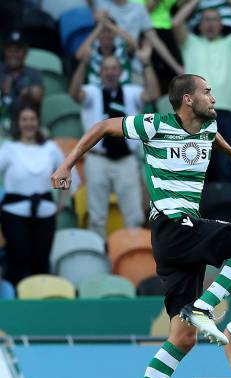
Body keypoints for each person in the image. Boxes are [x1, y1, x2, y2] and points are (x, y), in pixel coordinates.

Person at [51, 73, 231, 378]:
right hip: (174, 225)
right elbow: (105, 126)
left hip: (175, 243)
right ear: (187, 99)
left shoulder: (209, 127)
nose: (213, 96)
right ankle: (205, 306)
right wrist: (68, 165)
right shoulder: (154, 125)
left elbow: (211, 138)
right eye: (206, 91)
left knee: (183, 338)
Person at [69, 43, 160, 237]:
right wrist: (83, 63)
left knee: (134, 215)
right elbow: (74, 93)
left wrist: (146, 64)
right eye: (106, 69)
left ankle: (133, 262)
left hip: (126, 160)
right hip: (97, 158)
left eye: (114, 68)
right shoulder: (92, 92)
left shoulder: (131, 92)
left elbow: (153, 94)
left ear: (120, 72)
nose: (110, 72)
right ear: (100, 72)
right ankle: (98, 262)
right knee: (96, 217)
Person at [173, 0, 231, 180]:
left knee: (225, 164)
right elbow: (176, 23)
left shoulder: (230, 43)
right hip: (195, 112)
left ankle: (222, 204)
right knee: (195, 165)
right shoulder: (190, 42)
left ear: (221, 24)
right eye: (206, 19)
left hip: (224, 110)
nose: (210, 23)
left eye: (214, 19)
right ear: (199, 25)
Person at [0, 105, 73, 286]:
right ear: (18, 123)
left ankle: (40, 299)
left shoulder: (50, 148)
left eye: (32, 119)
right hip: (14, 212)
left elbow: (65, 173)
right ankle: (17, 302)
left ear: (38, 122)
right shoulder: (9, 148)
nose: (28, 124)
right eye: (24, 119)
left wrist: (62, 202)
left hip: (45, 212)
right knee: (17, 259)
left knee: (41, 260)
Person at [90, 0, 184, 75]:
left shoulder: (138, 9)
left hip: (132, 63)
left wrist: (176, 67)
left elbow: (155, 40)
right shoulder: (102, 6)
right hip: (104, 63)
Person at [0, 32, 43, 136]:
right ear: (4, 52)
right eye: (10, 51)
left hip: (26, 125)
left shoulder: (33, 73)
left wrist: (26, 92)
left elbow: (38, 95)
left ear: (25, 53)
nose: (13, 55)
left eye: (18, 51)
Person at [75, 13, 137, 86]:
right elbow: (78, 55)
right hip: (97, 94)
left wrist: (108, 24)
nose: (106, 35)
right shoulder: (91, 51)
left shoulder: (122, 49)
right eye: (102, 32)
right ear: (97, 34)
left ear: (114, 33)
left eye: (109, 31)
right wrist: (99, 27)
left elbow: (135, 44)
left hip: (122, 93)